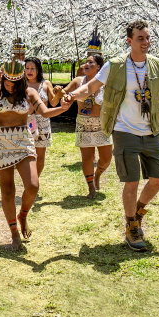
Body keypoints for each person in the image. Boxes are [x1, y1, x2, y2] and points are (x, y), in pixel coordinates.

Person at [63, 20, 159, 252]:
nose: (146, 42)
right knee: (132, 181)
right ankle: (132, 227)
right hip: (124, 130)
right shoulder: (115, 66)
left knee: (158, 179)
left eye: (148, 38)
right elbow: (91, 86)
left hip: (151, 130)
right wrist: (71, 95)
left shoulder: (158, 66)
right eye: (140, 38)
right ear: (129, 41)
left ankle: (136, 213)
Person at [0, 56, 68, 250]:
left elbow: (44, 112)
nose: (10, 85)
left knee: (33, 185)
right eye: (7, 81)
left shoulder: (29, 93)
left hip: (23, 140)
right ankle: (14, 233)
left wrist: (63, 108)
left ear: (21, 81)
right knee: (7, 190)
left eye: (14, 82)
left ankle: (23, 215)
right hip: (1, 141)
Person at [60, 28, 112, 198]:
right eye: (86, 62)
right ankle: (90, 186)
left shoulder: (107, 83)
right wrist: (61, 92)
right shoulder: (78, 81)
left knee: (106, 159)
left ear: (99, 67)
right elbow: (62, 95)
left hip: (102, 124)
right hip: (83, 123)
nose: (86, 65)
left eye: (91, 63)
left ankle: (98, 175)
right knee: (87, 158)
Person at [24, 57, 56, 176]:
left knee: (40, 155)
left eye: (33, 68)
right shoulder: (21, 84)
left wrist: (58, 93)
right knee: (26, 154)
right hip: (26, 122)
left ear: (38, 70)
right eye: (27, 68)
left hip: (43, 122)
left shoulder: (46, 83)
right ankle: (28, 180)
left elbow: (53, 103)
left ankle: (35, 180)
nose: (29, 71)